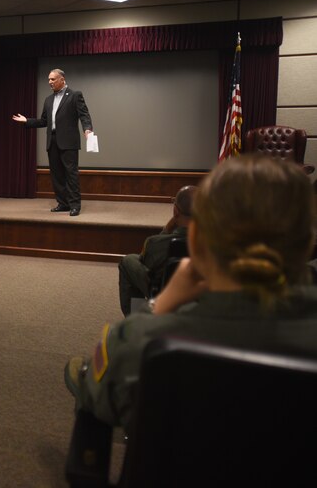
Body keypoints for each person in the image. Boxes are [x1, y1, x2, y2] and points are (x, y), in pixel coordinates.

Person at [64, 155, 317, 432]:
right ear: (308, 242)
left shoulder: (140, 342)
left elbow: (95, 394)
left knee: (81, 373)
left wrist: (158, 308)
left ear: (195, 238)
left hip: (175, 475)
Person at [12, 68, 93, 216]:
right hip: (52, 141)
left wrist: (87, 129)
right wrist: (27, 121)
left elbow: (84, 114)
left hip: (68, 141)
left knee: (71, 174)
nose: (49, 82)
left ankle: (75, 205)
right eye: (48, 79)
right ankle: (63, 203)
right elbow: (44, 121)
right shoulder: (48, 100)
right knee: (57, 175)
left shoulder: (75, 95)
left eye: (53, 79)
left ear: (62, 79)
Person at [118, 185, 196, 315]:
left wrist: (167, 229)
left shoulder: (156, 243)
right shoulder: (215, 243)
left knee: (128, 261)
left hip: (165, 293)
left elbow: (146, 262)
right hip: (202, 295)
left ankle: (136, 321)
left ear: (175, 211)